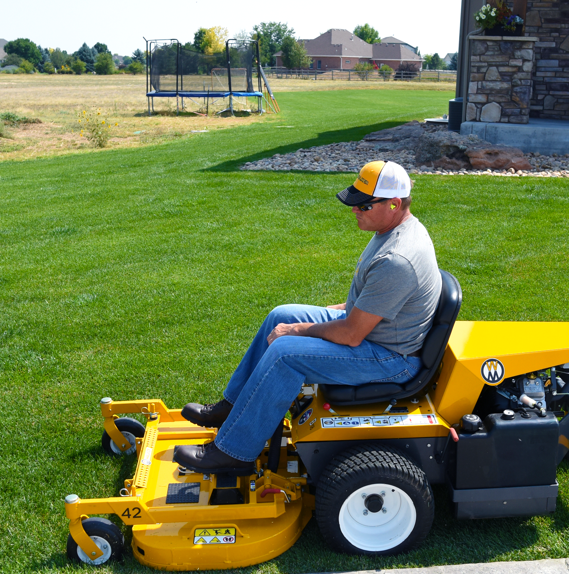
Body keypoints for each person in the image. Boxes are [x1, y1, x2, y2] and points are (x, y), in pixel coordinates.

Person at [173, 160, 443, 472]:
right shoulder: (394, 228)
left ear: (394, 203)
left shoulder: (397, 258)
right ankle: (233, 408)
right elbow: (374, 305)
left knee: (285, 352)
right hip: (376, 334)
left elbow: (352, 334)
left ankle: (235, 453)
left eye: (364, 205)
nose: (355, 210)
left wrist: (298, 330)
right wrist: (310, 319)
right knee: (280, 315)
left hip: (390, 359)